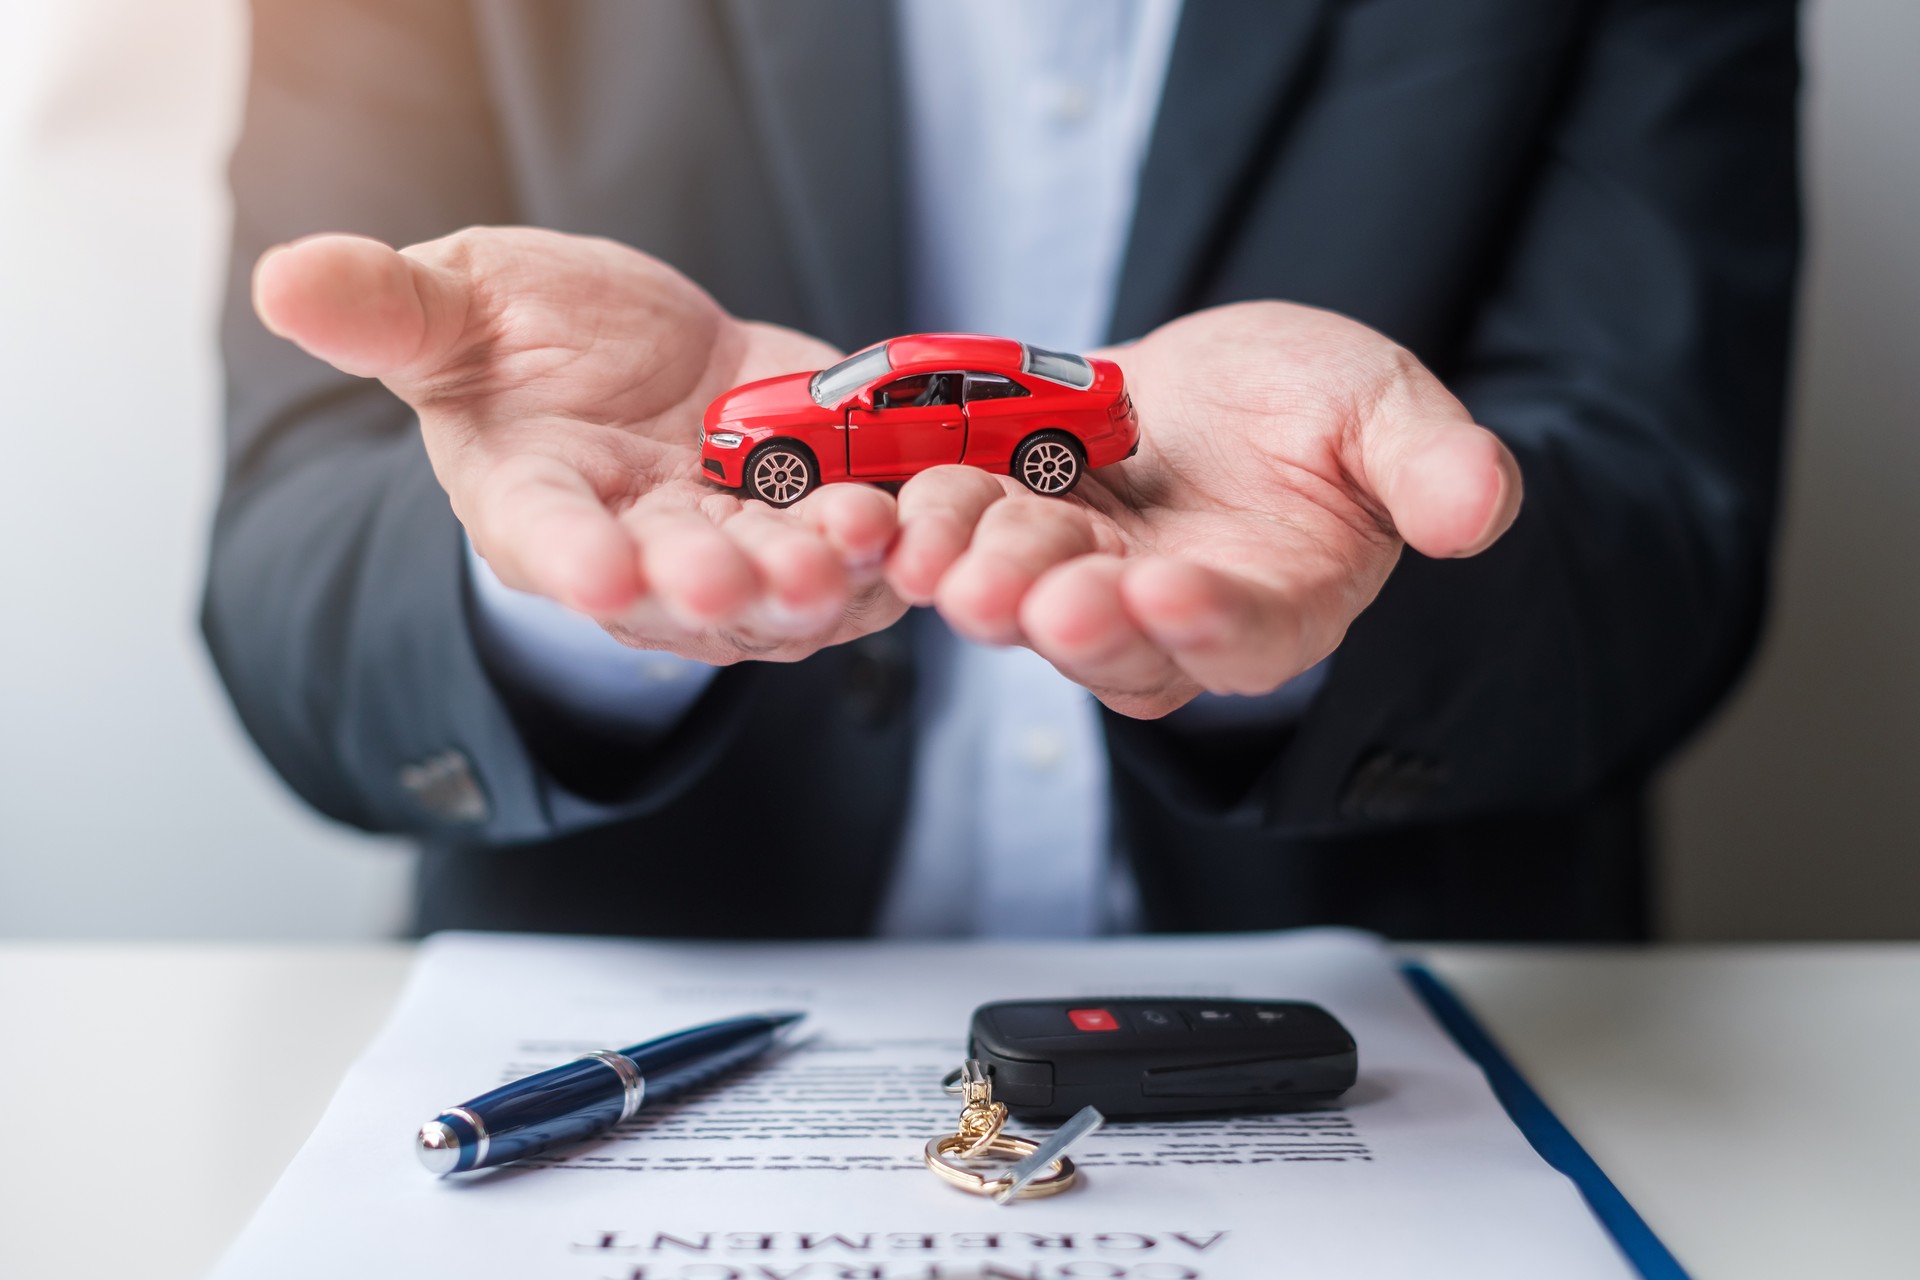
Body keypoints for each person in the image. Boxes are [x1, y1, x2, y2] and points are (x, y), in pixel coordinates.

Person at [205, 0, 1801, 941]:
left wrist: (1330, 569)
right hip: (634, 1079)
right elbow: (291, 582)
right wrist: (573, 583)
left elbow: (1671, 534)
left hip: (1398, 1067)